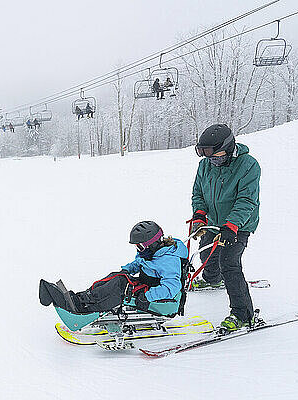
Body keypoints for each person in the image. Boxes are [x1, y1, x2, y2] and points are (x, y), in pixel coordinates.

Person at [190, 123, 261, 331]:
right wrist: (199, 215)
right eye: (208, 157)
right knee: (207, 257)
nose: (213, 161)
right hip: (213, 222)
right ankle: (212, 280)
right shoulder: (205, 165)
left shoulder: (248, 165)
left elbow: (247, 200)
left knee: (228, 262)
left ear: (229, 148)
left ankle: (243, 314)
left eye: (217, 156)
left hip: (239, 224)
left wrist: (231, 226)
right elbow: (198, 193)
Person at [39, 221, 188, 317]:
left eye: (140, 246)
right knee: (117, 277)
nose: (138, 249)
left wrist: (147, 296)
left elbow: (172, 287)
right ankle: (79, 299)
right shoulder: (153, 251)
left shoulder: (169, 260)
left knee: (119, 287)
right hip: (148, 287)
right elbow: (140, 262)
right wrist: (127, 269)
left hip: (162, 301)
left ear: (152, 243)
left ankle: (83, 309)